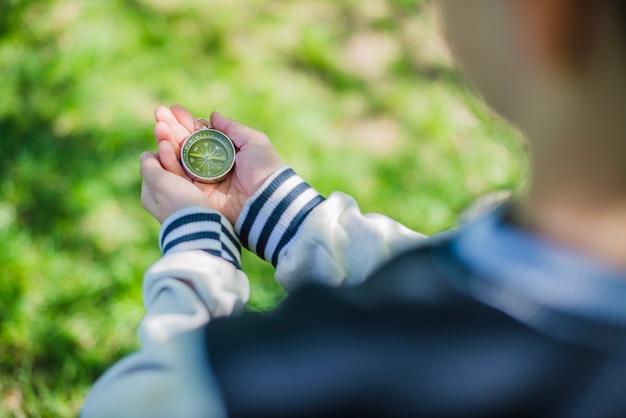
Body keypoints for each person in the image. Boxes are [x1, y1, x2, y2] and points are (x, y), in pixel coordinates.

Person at [82, 0, 626, 417]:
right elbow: (447, 275)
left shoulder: (334, 371)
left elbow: (140, 401)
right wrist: (281, 215)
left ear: (545, 19)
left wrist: (198, 251)